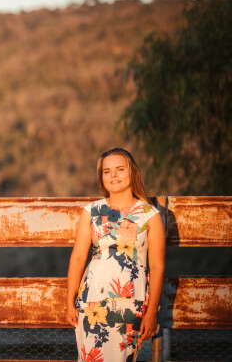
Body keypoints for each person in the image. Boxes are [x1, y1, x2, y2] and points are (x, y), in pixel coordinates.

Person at [66, 147, 165, 362]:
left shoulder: (150, 215)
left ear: (132, 172)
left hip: (131, 305)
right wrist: (69, 302)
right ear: (101, 177)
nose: (113, 175)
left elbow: (157, 266)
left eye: (120, 169)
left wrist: (152, 313)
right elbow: (78, 258)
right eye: (107, 171)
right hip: (92, 302)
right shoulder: (92, 211)